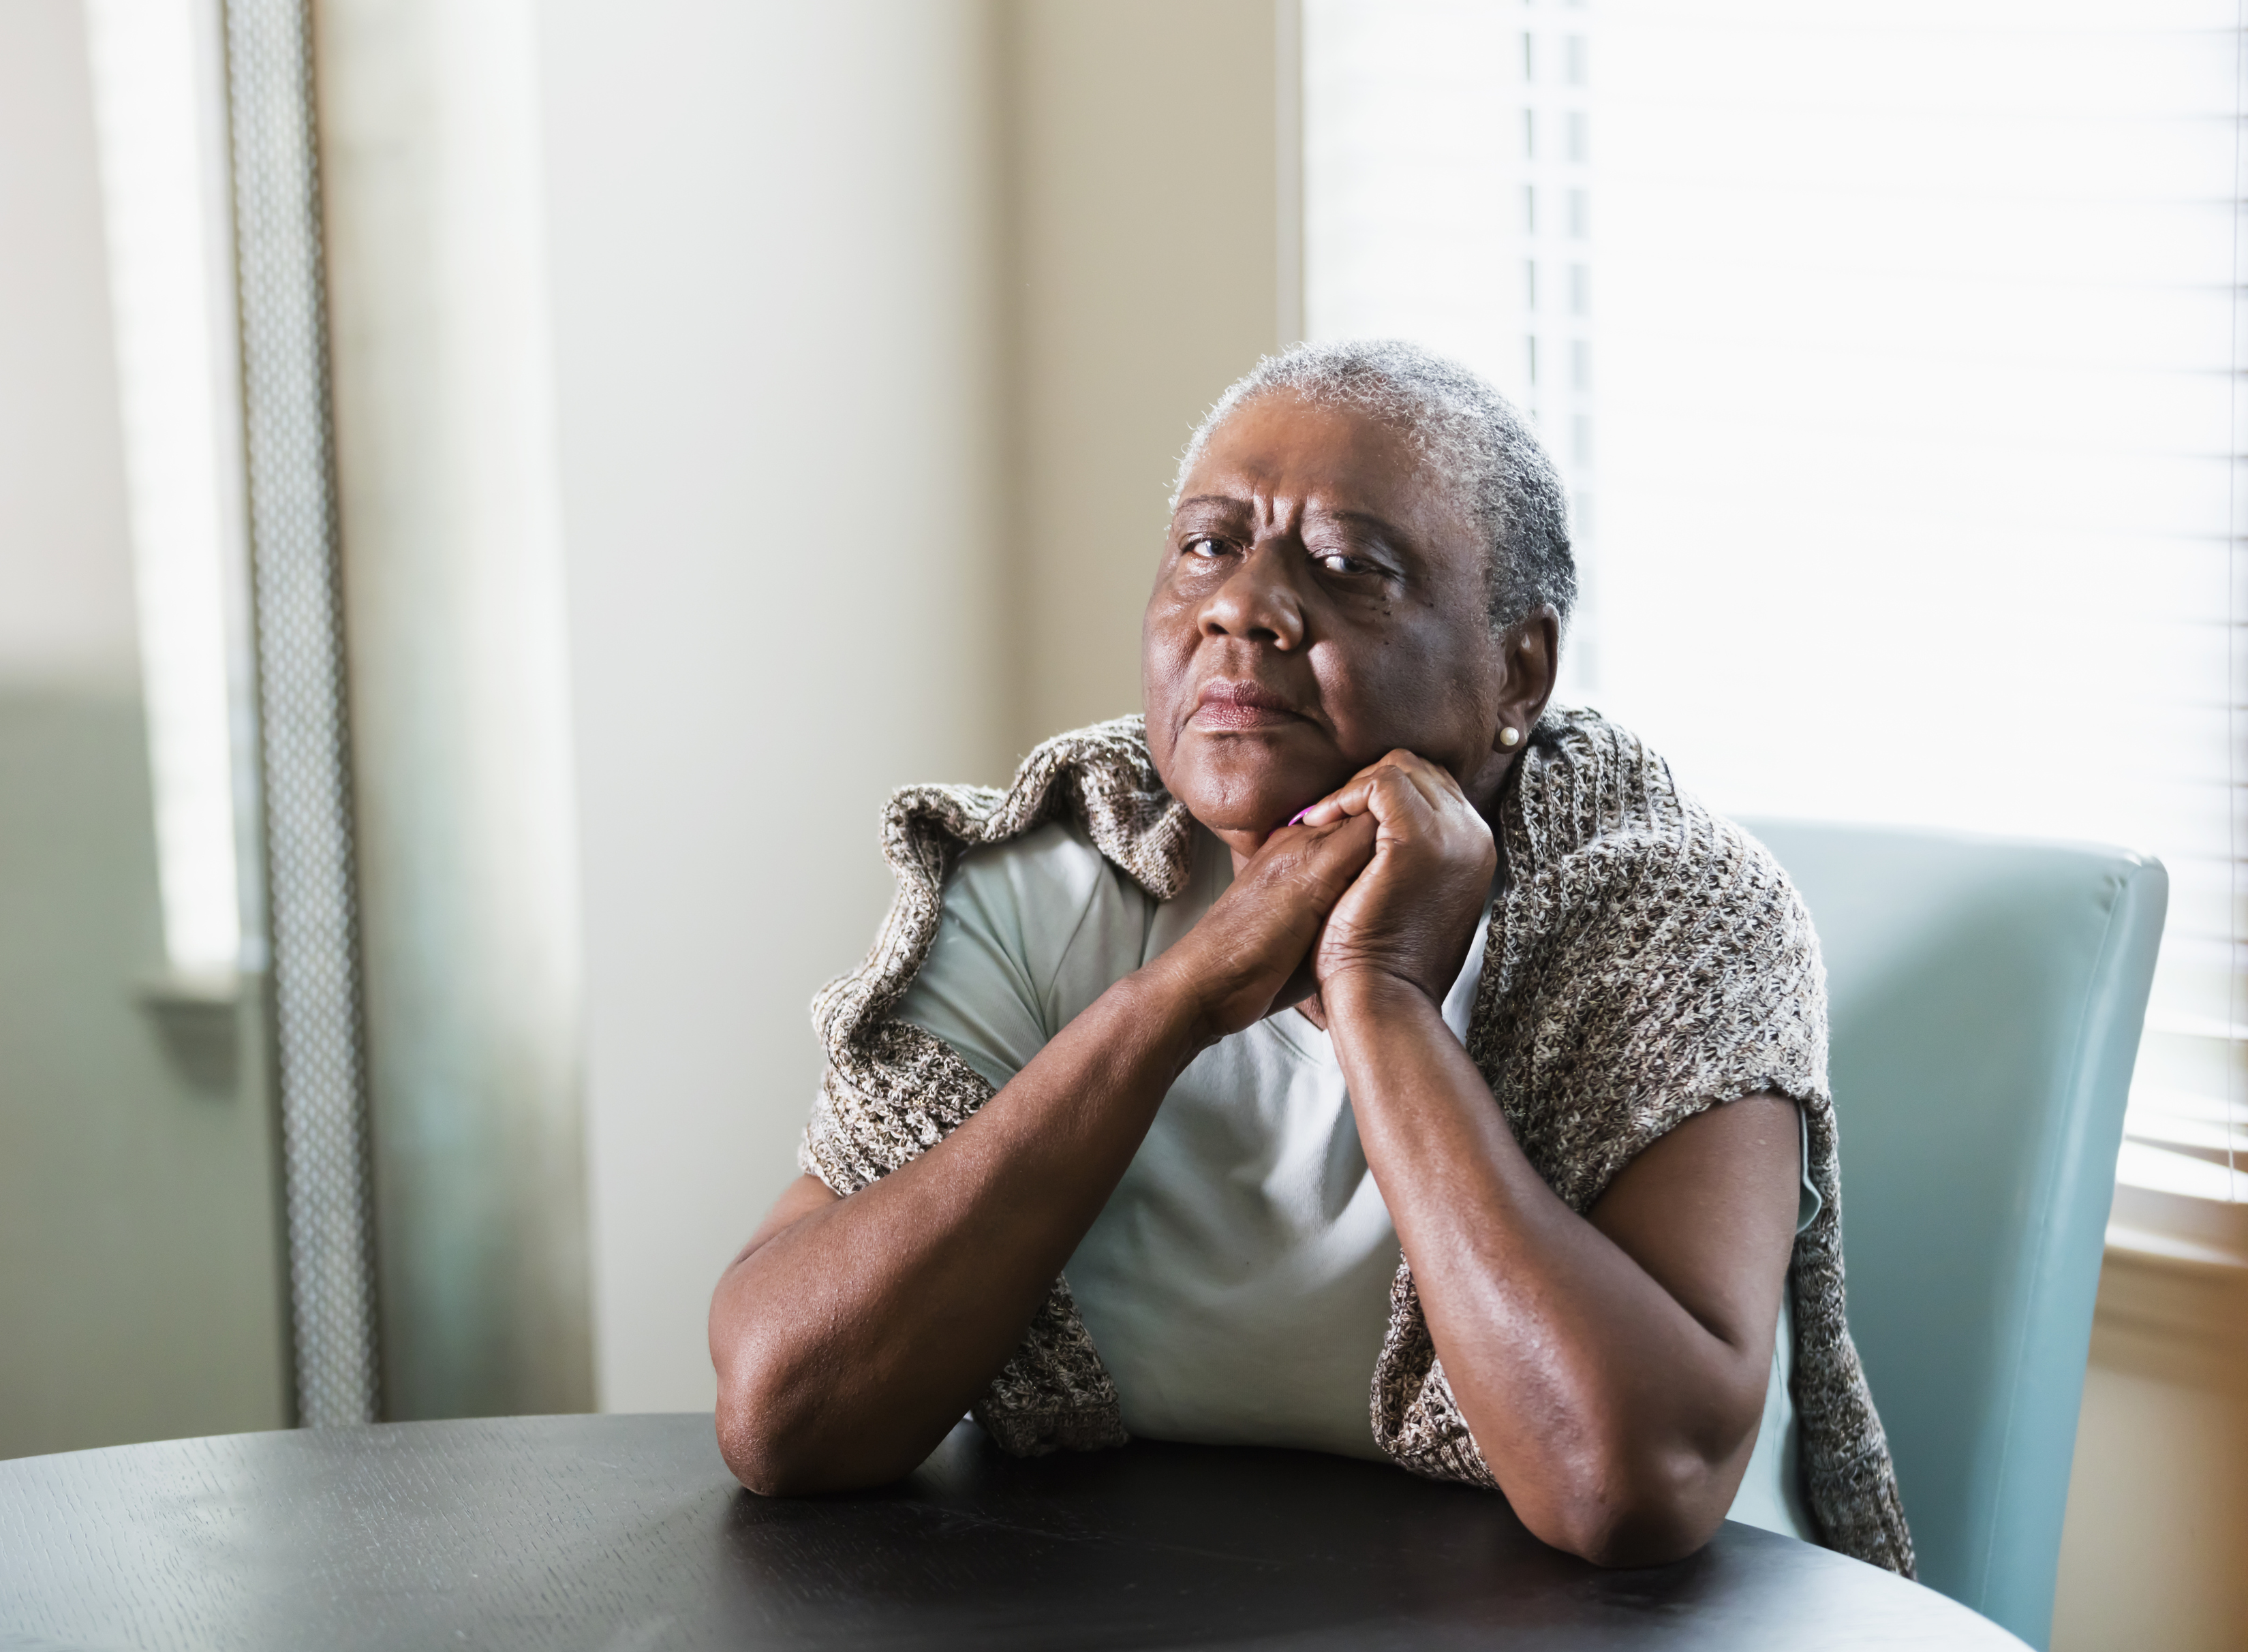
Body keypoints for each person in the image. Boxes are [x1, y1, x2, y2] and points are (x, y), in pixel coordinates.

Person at [707, 341, 1913, 1574]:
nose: (1242, 606)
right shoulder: (1031, 873)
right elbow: (786, 1412)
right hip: (1137, 1605)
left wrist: (1381, 997)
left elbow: (1630, 1485)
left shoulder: (1673, 921)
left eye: (1347, 567)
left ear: (1520, 670)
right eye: (1207, 547)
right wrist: (1177, 1000)